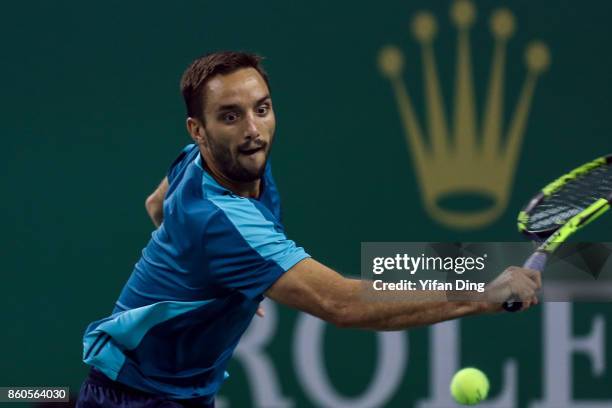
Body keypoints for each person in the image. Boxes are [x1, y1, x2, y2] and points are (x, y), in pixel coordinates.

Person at [76, 51, 541, 407]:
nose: (253, 130)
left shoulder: (207, 159)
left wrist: (219, 282)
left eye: (262, 108)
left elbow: (157, 203)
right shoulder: (225, 221)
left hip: (178, 389)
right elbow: (342, 303)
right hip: (137, 394)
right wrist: (483, 294)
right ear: (198, 129)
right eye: (230, 116)